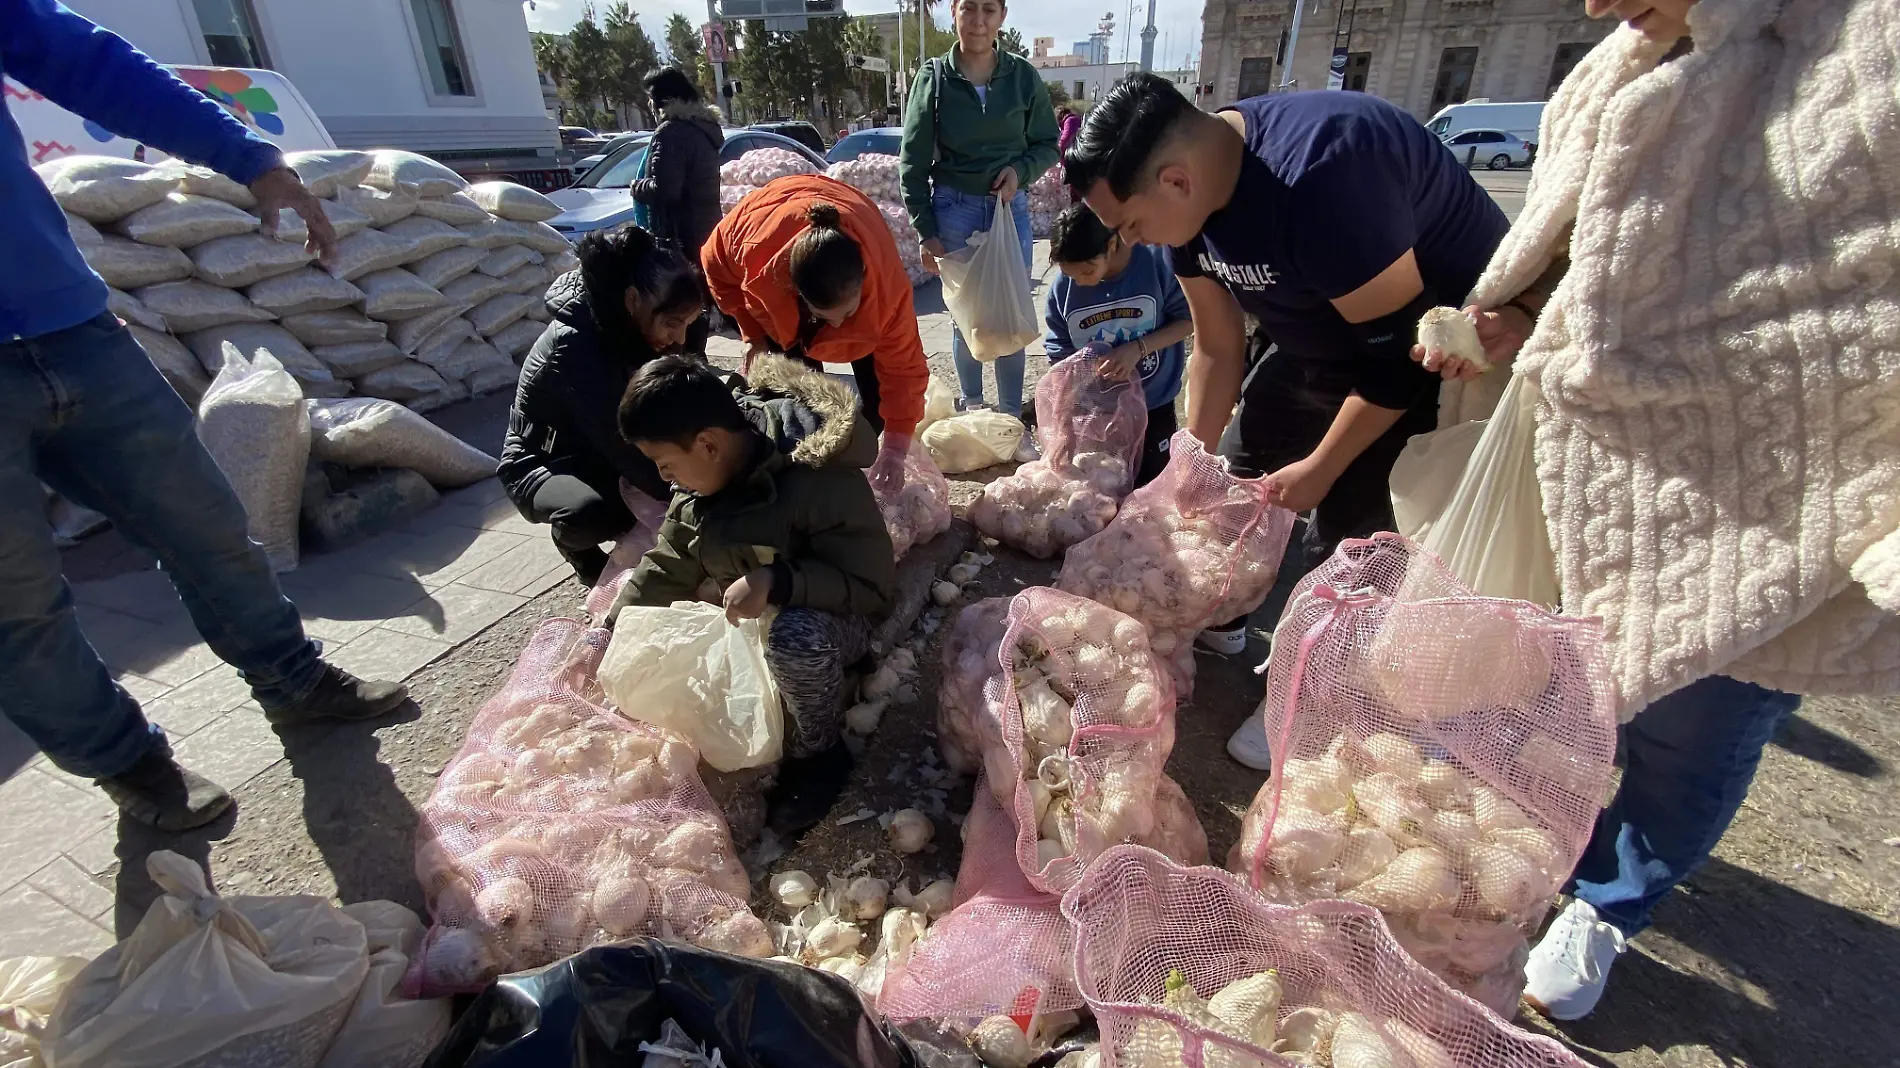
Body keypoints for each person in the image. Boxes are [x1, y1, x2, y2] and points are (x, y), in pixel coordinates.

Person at [1413, 0, 1899, 1021]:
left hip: (1781, 507)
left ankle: (1610, 899)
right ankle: (1535, 864)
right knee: (1554, 696)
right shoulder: (1610, 72)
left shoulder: (1869, 47)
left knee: (1700, 721)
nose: (1592, 6)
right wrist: (1513, 321)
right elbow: (1584, 276)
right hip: (1597, 480)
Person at [1, 0, 407, 833]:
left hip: (65, 322)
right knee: (19, 605)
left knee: (207, 523)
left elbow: (84, 58)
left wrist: (247, 155)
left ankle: (293, 681)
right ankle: (129, 763)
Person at [1063, 71, 1510, 769]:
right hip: (1310, 344)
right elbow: (1216, 343)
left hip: (1416, 366)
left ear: (1175, 181)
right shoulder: (1192, 203)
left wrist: (1321, 468)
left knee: (1347, 545)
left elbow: (1393, 365)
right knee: (1227, 484)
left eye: (1130, 225)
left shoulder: (1326, 177)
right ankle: (1230, 619)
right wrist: (1191, 459)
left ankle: (1312, 703)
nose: (1134, 240)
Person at [608, 354, 896, 833]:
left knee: (795, 639)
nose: (664, 479)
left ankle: (819, 753)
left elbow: (871, 586)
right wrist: (614, 628)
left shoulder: (816, 479)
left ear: (707, 444)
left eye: (664, 465)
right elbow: (670, 559)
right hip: (762, 609)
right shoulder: (706, 478)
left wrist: (778, 581)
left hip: (839, 615)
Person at [499, 225, 704, 586]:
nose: (680, 338)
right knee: (594, 513)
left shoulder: (632, 328)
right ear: (632, 301)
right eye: (673, 324)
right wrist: (697, 493)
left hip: (596, 450)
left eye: (687, 325)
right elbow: (621, 442)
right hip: (543, 460)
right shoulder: (575, 347)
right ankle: (576, 547)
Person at [700, 173, 929, 492]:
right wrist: (753, 334)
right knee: (794, 407)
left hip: (857, 238)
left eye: (847, 314)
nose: (837, 326)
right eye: (824, 317)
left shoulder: (887, 292)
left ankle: (852, 467)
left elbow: (903, 371)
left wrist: (895, 448)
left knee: (875, 406)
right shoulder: (756, 256)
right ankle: (804, 478)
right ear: (795, 293)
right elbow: (714, 268)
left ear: (863, 280)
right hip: (772, 233)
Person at [898, 0, 1058, 448]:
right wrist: (925, 231)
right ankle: (971, 410)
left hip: (1011, 209)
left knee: (1009, 314)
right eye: (969, 8)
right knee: (963, 318)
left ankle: (1009, 422)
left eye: (989, 9)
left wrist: (1020, 172)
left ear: (1002, 16)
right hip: (955, 208)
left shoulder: (1022, 76)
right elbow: (911, 161)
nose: (979, 19)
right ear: (954, 12)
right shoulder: (933, 78)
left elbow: (1047, 143)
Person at [1043, 203, 1191, 487]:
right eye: (1071, 275)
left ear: (1111, 245)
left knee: (1151, 487)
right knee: (1102, 491)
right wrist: (1063, 424)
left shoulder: (1155, 265)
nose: (1081, 284)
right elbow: (1060, 358)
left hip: (1153, 404)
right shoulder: (1063, 289)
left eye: (1087, 271)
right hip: (1097, 412)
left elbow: (1189, 320)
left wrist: (1138, 348)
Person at [630, 67, 722, 357]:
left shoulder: (671, 133)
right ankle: (696, 367)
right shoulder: (703, 131)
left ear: (663, 100)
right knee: (696, 310)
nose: (648, 105)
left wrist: (637, 186)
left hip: (676, 239)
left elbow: (666, 190)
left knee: (676, 317)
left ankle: (684, 376)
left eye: (650, 98)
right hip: (704, 235)